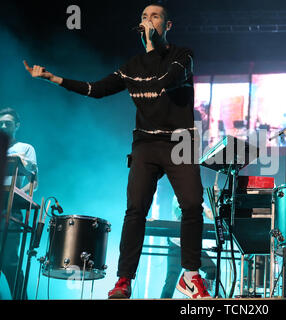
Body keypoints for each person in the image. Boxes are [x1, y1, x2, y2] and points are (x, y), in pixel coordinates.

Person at [23, 3, 211, 299]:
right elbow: (95, 89)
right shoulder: (131, 66)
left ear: (168, 25)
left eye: (156, 17)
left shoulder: (182, 56)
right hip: (146, 144)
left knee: (192, 205)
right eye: (144, 17)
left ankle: (190, 276)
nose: (149, 21)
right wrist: (54, 78)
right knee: (135, 210)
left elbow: (168, 78)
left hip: (180, 141)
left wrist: (155, 45)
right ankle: (124, 280)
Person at [0, 107, 38, 299]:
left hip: (11, 208)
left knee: (9, 262)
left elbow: (34, 182)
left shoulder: (25, 148)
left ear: (17, 126)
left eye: (7, 123)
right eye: (1, 123)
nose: (3, 126)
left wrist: (14, 194)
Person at [161, 195, 217, 298]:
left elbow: (210, 214)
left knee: (212, 269)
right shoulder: (178, 196)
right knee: (171, 280)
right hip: (177, 244)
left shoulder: (197, 198)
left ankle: (202, 292)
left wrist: (216, 206)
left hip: (192, 245)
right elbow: (184, 211)